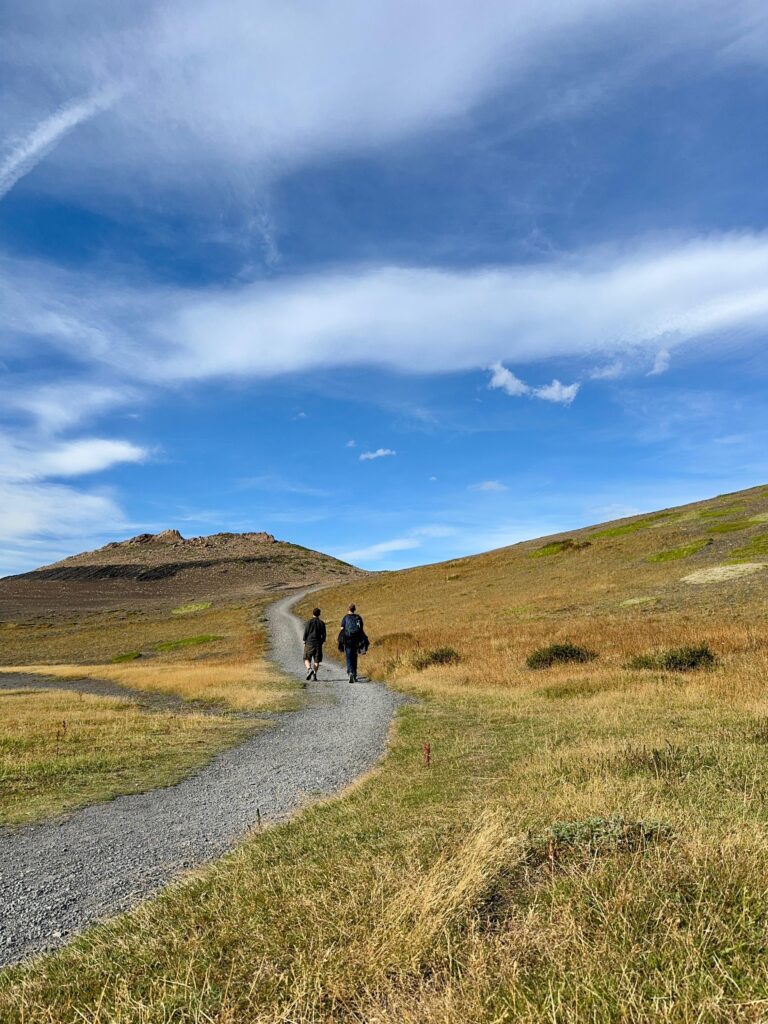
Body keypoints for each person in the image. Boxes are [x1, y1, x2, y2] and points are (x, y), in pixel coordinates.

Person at [338, 603, 367, 683]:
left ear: (348, 609)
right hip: (356, 640)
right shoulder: (358, 617)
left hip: (347, 640)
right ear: (355, 609)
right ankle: (354, 674)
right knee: (355, 657)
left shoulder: (345, 618)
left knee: (348, 656)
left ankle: (350, 672)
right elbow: (361, 629)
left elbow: (342, 629)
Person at [302, 607, 326, 682]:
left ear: (312, 613)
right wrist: (321, 641)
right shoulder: (321, 623)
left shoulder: (309, 622)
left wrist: (304, 640)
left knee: (306, 658)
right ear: (319, 614)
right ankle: (314, 675)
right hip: (318, 644)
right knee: (316, 661)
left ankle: (309, 669)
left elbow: (306, 632)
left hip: (309, 642)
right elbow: (324, 634)